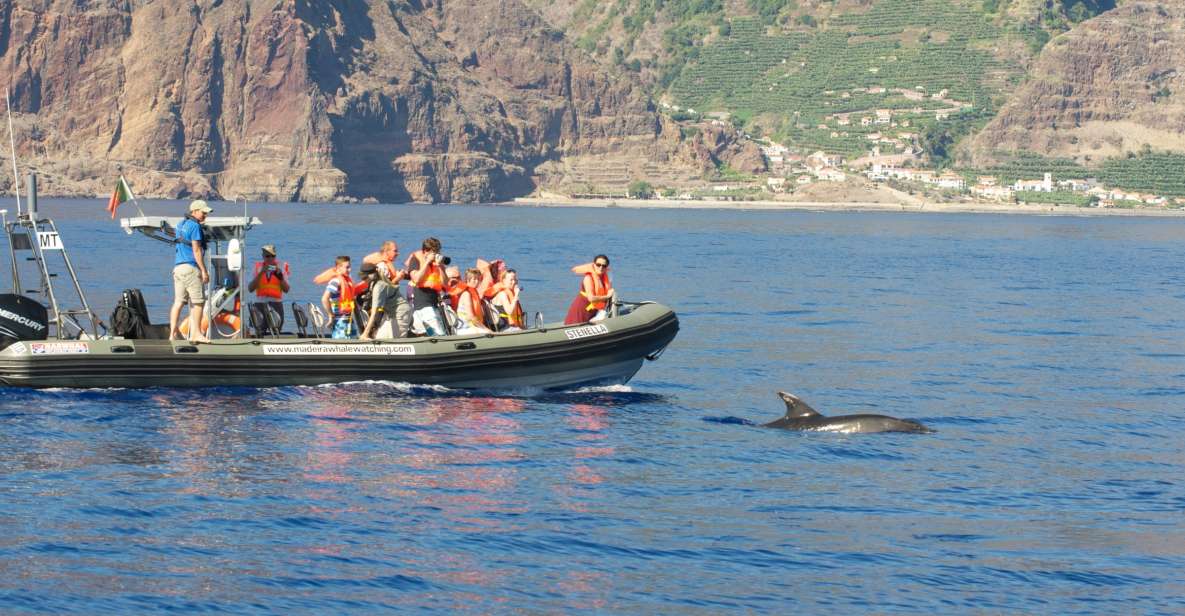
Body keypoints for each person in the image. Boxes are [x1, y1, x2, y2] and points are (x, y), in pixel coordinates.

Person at [169, 199, 212, 342]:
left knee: (178, 302)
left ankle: (173, 334)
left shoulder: (180, 225)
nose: (205, 214)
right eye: (203, 212)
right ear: (194, 211)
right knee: (199, 302)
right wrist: (204, 271)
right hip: (190, 268)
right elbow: (197, 250)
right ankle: (196, 334)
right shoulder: (195, 226)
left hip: (178, 268)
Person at [407, 237, 448, 335]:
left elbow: (445, 282)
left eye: (438, 252)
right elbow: (416, 279)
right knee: (437, 332)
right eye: (434, 252)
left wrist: (440, 266)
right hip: (422, 300)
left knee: (431, 332)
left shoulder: (437, 264)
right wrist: (426, 262)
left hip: (434, 301)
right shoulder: (416, 260)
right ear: (425, 251)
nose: (436, 255)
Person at [247, 243, 290, 331]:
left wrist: (280, 277)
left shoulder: (281, 267)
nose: (270, 259)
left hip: (276, 304)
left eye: (273, 256)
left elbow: (286, 290)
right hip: (260, 303)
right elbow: (250, 289)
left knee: (276, 330)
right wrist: (261, 273)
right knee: (259, 331)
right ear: (263, 256)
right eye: (267, 256)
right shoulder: (257, 267)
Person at [564, 255, 615, 325]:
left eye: (604, 266)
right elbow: (591, 298)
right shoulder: (588, 278)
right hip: (581, 309)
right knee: (574, 327)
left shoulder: (604, 279)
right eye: (598, 265)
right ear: (594, 265)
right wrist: (607, 296)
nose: (601, 267)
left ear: (606, 267)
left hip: (593, 310)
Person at [321, 256, 357, 339]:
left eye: (350, 267)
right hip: (340, 321)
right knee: (341, 346)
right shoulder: (335, 281)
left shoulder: (347, 281)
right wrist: (331, 315)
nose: (350, 270)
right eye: (347, 267)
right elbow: (324, 299)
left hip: (349, 320)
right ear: (338, 268)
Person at [448, 267, 491, 334]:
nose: (477, 281)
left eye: (478, 279)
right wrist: (485, 328)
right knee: (487, 332)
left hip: (471, 326)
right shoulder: (466, 294)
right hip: (465, 327)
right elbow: (471, 316)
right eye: (474, 279)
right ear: (468, 280)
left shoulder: (473, 292)